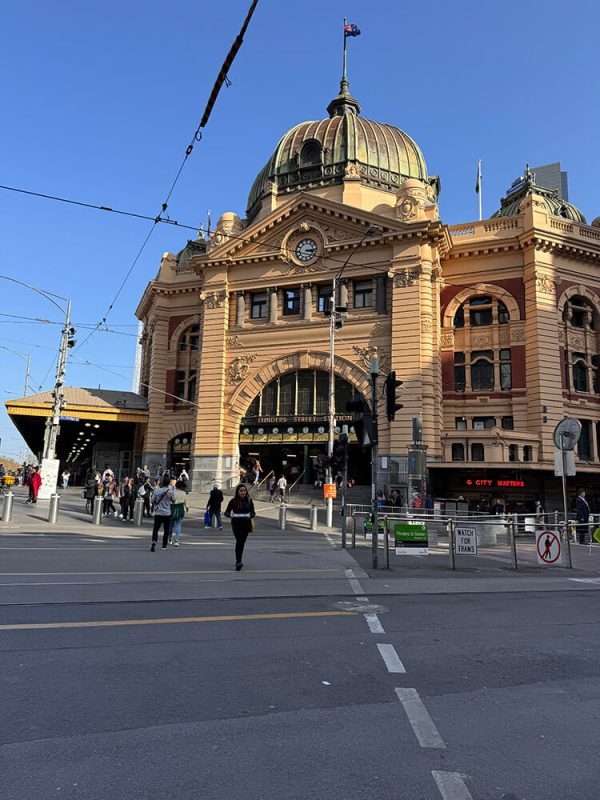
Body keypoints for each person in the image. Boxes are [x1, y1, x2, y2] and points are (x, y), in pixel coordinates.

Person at [224, 484, 256, 570]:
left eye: (244, 491)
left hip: (246, 524)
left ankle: (238, 559)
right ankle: (238, 561)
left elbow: (253, 512)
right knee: (239, 541)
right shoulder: (233, 501)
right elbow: (226, 512)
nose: (243, 492)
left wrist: (250, 515)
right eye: (241, 491)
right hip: (236, 524)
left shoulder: (249, 501)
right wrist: (231, 515)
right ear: (237, 492)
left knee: (242, 542)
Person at [150, 476, 175, 551]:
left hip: (158, 513)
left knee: (156, 529)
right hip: (167, 513)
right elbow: (173, 501)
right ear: (168, 483)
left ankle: (154, 541)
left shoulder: (157, 491)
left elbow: (152, 501)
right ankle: (164, 545)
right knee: (166, 530)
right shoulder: (170, 491)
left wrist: (156, 503)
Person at [170, 480, 188, 546]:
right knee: (178, 525)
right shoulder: (184, 493)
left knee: (170, 525)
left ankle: (169, 538)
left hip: (172, 508)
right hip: (180, 508)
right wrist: (187, 508)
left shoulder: (172, 492)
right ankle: (176, 540)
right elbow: (186, 502)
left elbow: (171, 500)